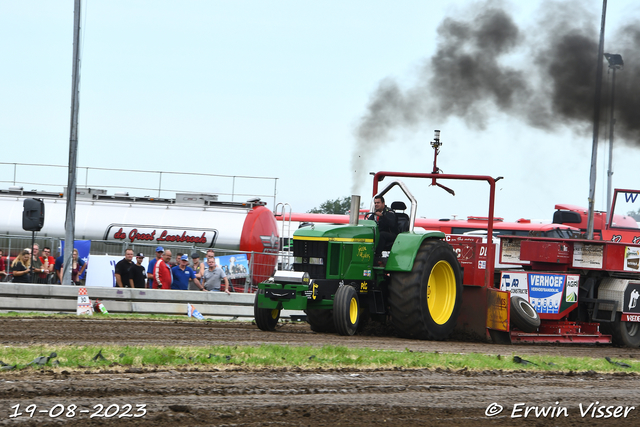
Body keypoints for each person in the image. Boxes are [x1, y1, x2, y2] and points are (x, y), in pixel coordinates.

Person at [372, 195, 399, 260]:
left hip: (391, 233)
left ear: (383, 203)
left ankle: (377, 255)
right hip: (378, 233)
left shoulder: (389, 213)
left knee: (382, 235)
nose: (376, 204)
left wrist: (382, 216)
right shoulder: (374, 214)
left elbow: (392, 224)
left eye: (378, 203)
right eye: (375, 203)